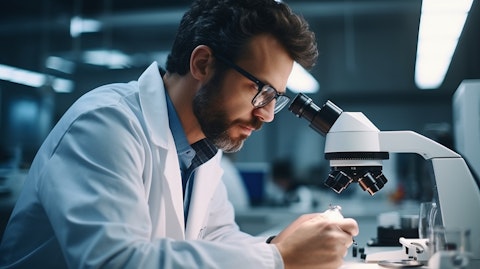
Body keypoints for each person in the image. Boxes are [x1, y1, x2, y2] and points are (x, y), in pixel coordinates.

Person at [0, 0, 358, 268]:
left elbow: (218, 238)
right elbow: (114, 261)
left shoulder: (202, 149)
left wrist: (279, 243)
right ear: (203, 63)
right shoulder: (104, 124)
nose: (265, 114)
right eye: (259, 90)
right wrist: (277, 258)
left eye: (274, 99)